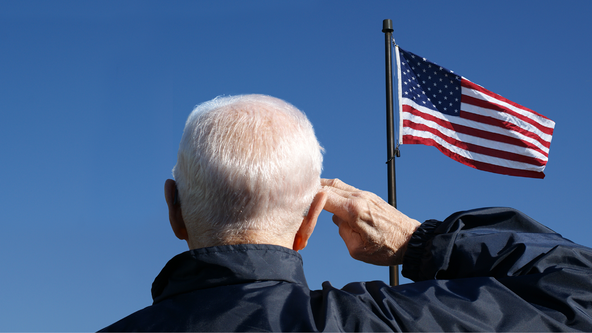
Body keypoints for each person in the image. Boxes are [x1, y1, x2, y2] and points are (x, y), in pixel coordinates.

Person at [100, 94, 592, 332]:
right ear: (312, 218)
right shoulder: (379, 323)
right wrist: (420, 242)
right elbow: (578, 291)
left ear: (175, 209)